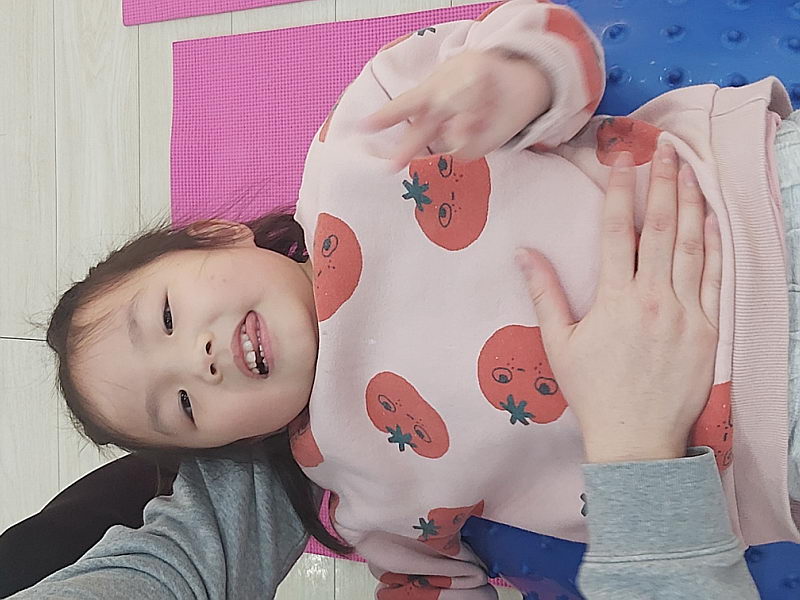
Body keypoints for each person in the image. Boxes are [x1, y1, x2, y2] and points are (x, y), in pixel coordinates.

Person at [9, 0, 800, 596]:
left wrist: (516, 76)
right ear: (232, 447)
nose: (200, 359)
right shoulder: (363, 502)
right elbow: (432, 581)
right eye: (182, 404)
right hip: (760, 433)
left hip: (747, 204)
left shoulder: (359, 142)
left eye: (167, 318)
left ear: (217, 235)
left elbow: (552, 37)